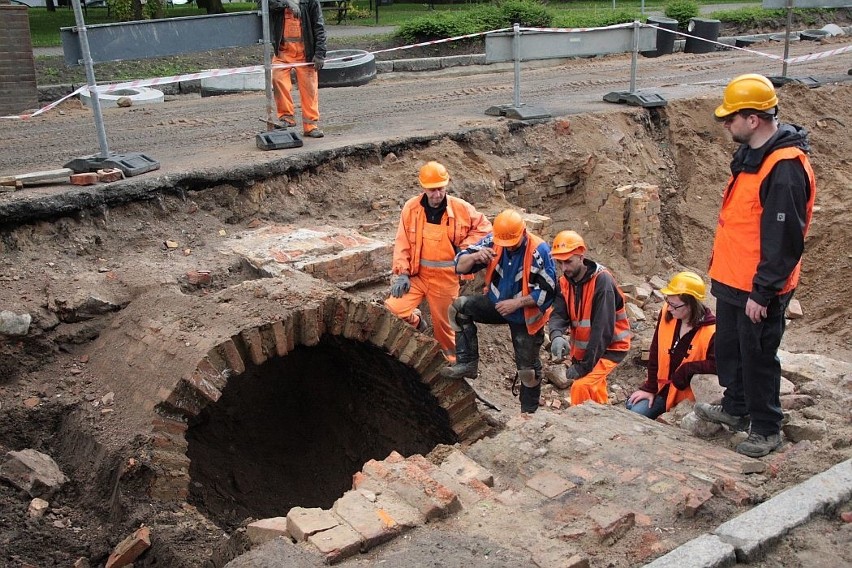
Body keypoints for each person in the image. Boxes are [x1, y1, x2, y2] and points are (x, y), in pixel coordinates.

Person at [694, 73, 816, 458]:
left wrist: (763, 291)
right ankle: (736, 407)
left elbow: (783, 241)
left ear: (754, 119)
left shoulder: (784, 169)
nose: (726, 124)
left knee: (759, 356)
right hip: (732, 278)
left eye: (731, 118)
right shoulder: (752, 157)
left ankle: (765, 427)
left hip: (758, 287)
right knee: (731, 348)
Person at [440, 209, 557, 414]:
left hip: (526, 315)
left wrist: (518, 303)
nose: (508, 247)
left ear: (523, 233)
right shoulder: (496, 240)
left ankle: (528, 415)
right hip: (497, 304)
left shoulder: (539, 251)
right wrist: (476, 256)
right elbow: (459, 266)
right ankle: (467, 362)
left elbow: (549, 292)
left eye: (512, 242)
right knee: (458, 309)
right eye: (505, 243)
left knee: (527, 371)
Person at [385, 162, 492, 362]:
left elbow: (486, 229)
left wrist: (466, 248)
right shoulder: (411, 208)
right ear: (423, 188)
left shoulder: (461, 208)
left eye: (440, 188)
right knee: (393, 309)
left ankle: (452, 363)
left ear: (446, 185)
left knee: (445, 328)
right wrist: (402, 273)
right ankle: (417, 322)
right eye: (432, 190)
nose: (437, 194)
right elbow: (403, 242)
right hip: (418, 275)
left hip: (446, 279)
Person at [548, 230, 632, 406]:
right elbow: (559, 313)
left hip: (611, 348)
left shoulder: (602, 283)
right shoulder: (564, 282)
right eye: (560, 262)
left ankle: (579, 424)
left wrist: (582, 367)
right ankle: (603, 413)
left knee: (580, 386)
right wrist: (556, 334)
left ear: (581, 256)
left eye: (568, 262)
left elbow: (602, 331)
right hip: (586, 350)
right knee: (594, 386)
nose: (564, 268)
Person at [626, 272, 717, 420]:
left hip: (685, 400)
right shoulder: (667, 314)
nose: (669, 308)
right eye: (668, 302)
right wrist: (650, 388)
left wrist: (687, 369)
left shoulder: (712, 332)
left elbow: (718, 365)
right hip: (661, 389)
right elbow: (655, 351)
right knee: (631, 406)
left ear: (691, 304)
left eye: (674, 305)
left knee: (636, 414)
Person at [268, 0, 327, 138]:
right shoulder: (278, 1)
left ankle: (310, 126)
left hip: (305, 54)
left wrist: (319, 54)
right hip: (283, 52)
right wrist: (287, 4)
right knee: (278, 79)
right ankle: (286, 118)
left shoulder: (311, 2)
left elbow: (319, 27)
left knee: (309, 90)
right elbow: (265, 4)